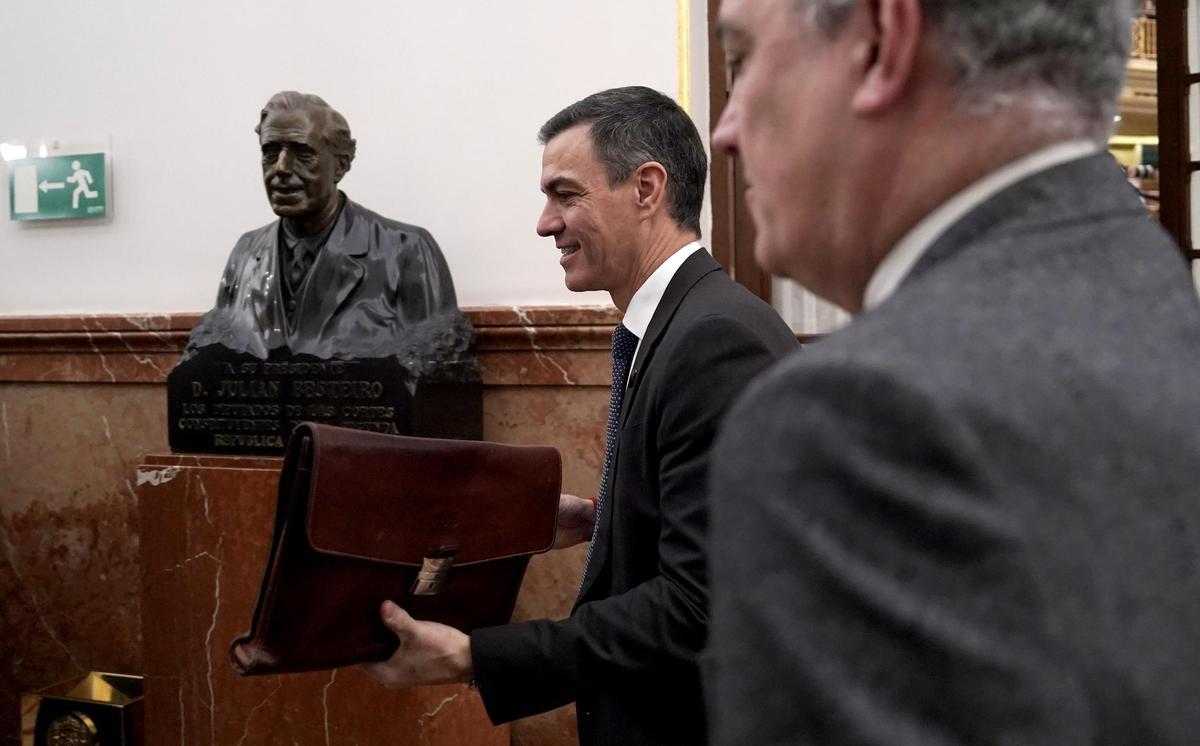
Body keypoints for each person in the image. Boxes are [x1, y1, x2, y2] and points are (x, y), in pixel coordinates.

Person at [704, 0, 1200, 743]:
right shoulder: (1151, 298)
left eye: (741, 60)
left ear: (880, 41)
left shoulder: (856, 421)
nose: (726, 130)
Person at [360, 86, 798, 745]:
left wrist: (474, 659)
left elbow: (697, 606)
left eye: (566, 195)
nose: (544, 223)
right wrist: (608, 521)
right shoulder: (682, 324)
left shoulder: (714, 341)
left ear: (646, 188)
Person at [184, 91, 463, 363]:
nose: (281, 168)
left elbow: (437, 376)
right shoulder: (245, 254)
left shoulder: (406, 251)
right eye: (270, 152)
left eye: (302, 153)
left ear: (340, 166)